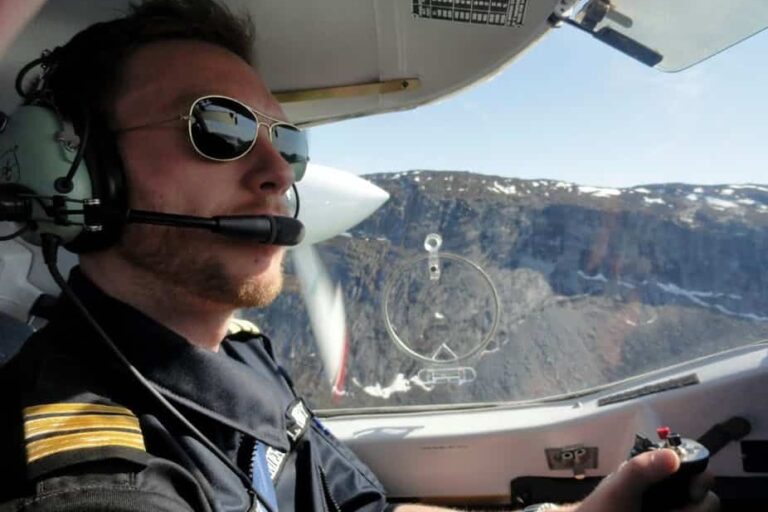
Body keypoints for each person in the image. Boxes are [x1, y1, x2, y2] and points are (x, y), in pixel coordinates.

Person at [0, 1, 719, 511]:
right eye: (218, 128)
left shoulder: (242, 356)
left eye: (288, 143)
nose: (278, 174)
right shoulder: (98, 477)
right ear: (77, 173)